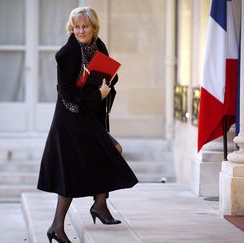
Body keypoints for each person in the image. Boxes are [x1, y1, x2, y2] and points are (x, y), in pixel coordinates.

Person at [37, 6, 138, 243]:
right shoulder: (66, 53)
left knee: (108, 151)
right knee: (79, 166)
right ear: (71, 29)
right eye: (77, 26)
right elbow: (67, 92)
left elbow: (108, 76)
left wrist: (108, 82)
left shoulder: (98, 46)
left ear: (94, 28)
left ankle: (98, 206)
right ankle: (58, 225)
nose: (81, 30)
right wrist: (97, 95)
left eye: (85, 26)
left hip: (88, 116)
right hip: (69, 119)